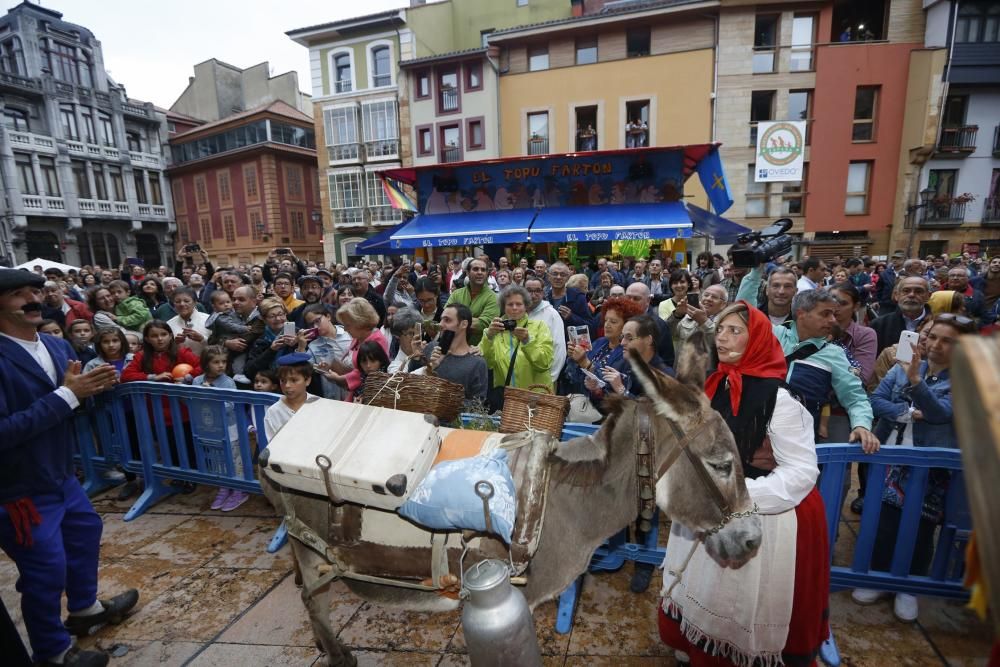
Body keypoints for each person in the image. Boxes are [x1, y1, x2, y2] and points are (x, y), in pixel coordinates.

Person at [658, 300, 828, 667]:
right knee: (700, 585)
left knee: (739, 601)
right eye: (719, 329)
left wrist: (735, 495)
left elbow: (801, 472)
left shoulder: (779, 400)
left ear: (758, 340)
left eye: (735, 330)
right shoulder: (713, 382)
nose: (722, 337)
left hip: (757, 513)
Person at [0, 268, 138, 667]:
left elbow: (75, 405)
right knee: (44, 571)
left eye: (35, 291)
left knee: (83, 534)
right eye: (18, 295)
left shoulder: (57, 348)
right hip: (20, 488)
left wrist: (93, 391)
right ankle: (53, 652)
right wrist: (66, 395)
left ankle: (84, 609)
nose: (32, 300)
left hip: (62, 474)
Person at [853, 314, 974, 621]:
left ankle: (909, 587)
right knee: (882, 519)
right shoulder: (901, 367)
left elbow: (939, 412)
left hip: (929, 464)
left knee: (920, 526)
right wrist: (907, 412)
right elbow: (875, 399)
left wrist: (917, 382)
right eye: (932, 336)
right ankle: (877, 577)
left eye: (947, 341)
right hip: (888, 455)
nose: (935, 345)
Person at [738, 268, 878, 449]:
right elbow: (744, 312)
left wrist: (861, 425)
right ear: (802, 314)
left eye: (834, 314)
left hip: (798, 445)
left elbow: (855, 397)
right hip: (755, 439)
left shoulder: (835, 354)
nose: (833, 320)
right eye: (825, 314)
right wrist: (755, 271)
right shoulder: (772, 335)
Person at [192, 346, 248, 513]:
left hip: (229, 428)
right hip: (209, 428)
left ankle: (239, 489)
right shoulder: (197, 381)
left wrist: (212, 397)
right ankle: (224, 487)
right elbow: (195, 402)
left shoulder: (228, 382)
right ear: (206, 363)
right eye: (216, 362)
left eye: (223, 362)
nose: (221, 365)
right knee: (217, 459)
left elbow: (231, 405)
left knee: (234, 458)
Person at [482, 285, 556, 406]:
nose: (514, 308)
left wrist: (527, 342)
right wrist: (488, 337)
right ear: (503, 307)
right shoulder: (494, 330)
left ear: (526, 306)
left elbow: (544, 363)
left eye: (519, 304)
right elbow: (488, 363)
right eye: (510, 304)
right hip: (509, 400)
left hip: (537, 399)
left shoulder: (539, 326)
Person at [567, 295, 645, 406]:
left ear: (627, 325)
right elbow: (574, 379)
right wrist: (574, 358)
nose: (607, 325)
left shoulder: (628, 352)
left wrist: (586, 363)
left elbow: (612, 387)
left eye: (613, 322)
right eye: (605, 320)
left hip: (612, 412)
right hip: (586, 406)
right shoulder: (600, 342)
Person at [319, 298, 389, 401]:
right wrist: (330, 365)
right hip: (352, 393)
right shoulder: (358, 337)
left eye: (348, 325)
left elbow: (369, 373)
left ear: (361, 323)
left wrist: (337, 379)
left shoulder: (377, 340)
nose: (345, 329)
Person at [421, 303, 489, 406]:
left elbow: (478, 404)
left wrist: (445, 400)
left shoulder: (477, 363)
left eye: (447, 320)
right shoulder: (431, 348)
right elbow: (412, 383)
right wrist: (428, 365)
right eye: (441, 319)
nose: (441, 324)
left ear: (464, 324)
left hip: (453, 420)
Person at [297, 304, 353, 400]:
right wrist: (301, 347)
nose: (315, 326)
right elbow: (302, 371)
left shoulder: (349, 333)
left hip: (355, 389)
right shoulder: (313, 346)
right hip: (333, 396)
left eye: (318, 321)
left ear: (328, 316)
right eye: (311, 324)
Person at [263, 353, 321, 443]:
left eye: (294, 380)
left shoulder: (319, 404)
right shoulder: (274, 412)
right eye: (283, 380)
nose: (287, 385)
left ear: (307, 380)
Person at [243, 299, 302, 381]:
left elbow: (306, 368)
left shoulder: (299, 335)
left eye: (281, 314)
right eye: (272, 316)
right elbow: (249, 371)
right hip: (269, 385)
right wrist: (271, 350)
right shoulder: (259, 340)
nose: (278, 319)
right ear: (264, 319)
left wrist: (298, 346)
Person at [870, 277, 932, 354]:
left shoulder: (938, 325)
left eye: (918, 291)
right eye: (906, 291)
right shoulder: (879, 324)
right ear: (896, 295)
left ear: (928, 296)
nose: (911, 295)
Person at [445, 258, 499, 345]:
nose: (480, 272)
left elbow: (484, 324)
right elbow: (446, 316)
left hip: (480, 350)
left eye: (483, 270)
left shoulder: (493, 297)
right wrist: (473, 320)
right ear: (467, 273)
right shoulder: (456, 294)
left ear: (487, 274)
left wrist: (454, 320)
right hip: (454, 346)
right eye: (475, 269)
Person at [524, 277, 567, 386]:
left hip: (545, 380)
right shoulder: (517, 312)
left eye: (537, 291)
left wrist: (552, 377)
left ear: (543, 293)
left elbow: (559, 348)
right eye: (529, 290)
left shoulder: (552, 315)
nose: (533, 295)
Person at [546, 261, 595, 338]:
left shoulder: (578, 297)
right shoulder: (544, 297)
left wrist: (571, 317)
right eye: (555, 274)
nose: (558, 277)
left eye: (562, 274)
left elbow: (591, 326)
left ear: (568, 278)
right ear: (548, 276)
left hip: (569, 346)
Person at [166, 287, 211, 358]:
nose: (182, 304)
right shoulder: (169, 324)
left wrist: (202, 339)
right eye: (177, 302)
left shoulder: (208, 320)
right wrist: (174, 343)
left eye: (186, 301)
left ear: (195, 302)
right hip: (180, 366)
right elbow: (165, 350)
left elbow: (218, 345)